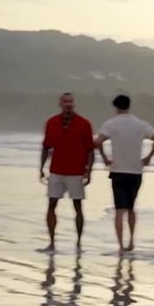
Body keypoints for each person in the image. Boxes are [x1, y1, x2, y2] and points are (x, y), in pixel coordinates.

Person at [95, 94, 154, 251]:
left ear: (116, 107)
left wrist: (105, 158)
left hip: (118, 170)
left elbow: (97, 141)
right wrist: (148, 157)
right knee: (131, 208)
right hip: (135, 171)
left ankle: (120, 245)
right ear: (129, 106)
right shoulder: (140, 124)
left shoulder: (111, 124)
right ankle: (131, 241)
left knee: (119, 210)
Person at [40, 92, 94, 250]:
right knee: (51, 204)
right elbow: (46, 147)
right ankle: (51, 242)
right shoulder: (51, 122)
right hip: (56, 170)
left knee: (77, 206)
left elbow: (90, 150)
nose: (68, 104)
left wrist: (88, 171)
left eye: (70, 101)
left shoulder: (83, 123)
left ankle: (78, 243)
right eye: (65, 101)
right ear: (60, 103)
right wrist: (41, 168)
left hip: (76, 172)